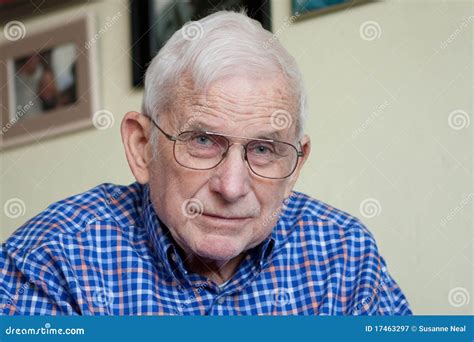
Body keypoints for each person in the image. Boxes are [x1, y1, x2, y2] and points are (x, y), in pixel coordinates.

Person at [0, 10, 411, 315]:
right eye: (202, 141)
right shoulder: (49, 260)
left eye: (264, 149)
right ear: (142, 146)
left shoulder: (345, 254)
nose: (231, 187)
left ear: (296, 165)